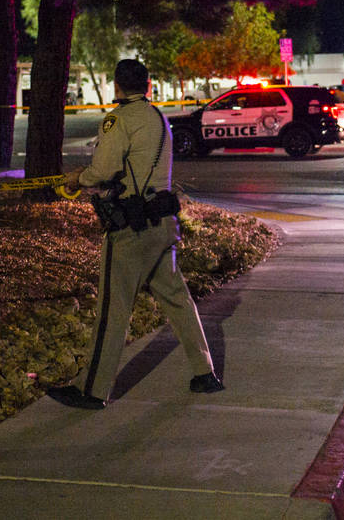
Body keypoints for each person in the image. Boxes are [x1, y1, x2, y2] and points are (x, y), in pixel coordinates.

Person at [48, 59, 223, 410]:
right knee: (178, 300)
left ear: (116, 85)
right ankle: (204, 373)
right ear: (147, 84)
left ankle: (93, 390)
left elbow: (104, 169)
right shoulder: (158, 117)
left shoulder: (120, 119)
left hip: (131, 228)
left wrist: (78, 178)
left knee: (113, 308)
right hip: (162, 224)